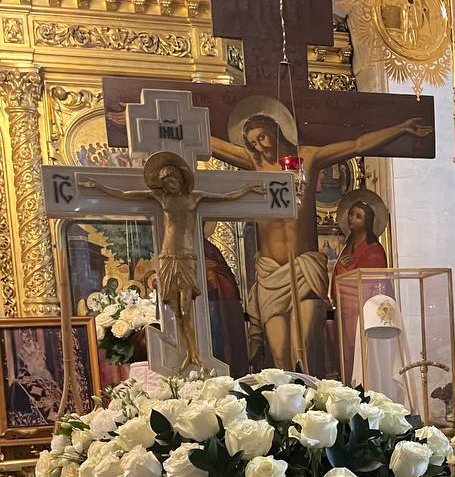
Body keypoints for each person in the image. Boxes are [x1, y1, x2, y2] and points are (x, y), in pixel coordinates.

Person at [209, 111, 432, 373]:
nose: (260, 146)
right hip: (270, 274)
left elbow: (358, 144)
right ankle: (286, 400)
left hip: (304, 268)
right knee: (279, 352)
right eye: (253, 143)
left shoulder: (309, 157)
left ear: (276, 130)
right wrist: (175, 124)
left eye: (262, 137)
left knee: (303, 346)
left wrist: (400, 127)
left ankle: (311, 396)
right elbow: (213, 144)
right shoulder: (254, 164)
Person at [78, 154, 265, 373]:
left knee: (186, 309)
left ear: (181, 179)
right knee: (175, 311)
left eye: (173, 179)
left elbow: (225, 197)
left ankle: (194, 354)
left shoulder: (194, 198)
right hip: (167, 258)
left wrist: (249, 189)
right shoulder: (161, 199)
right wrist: (97, 186)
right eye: (165, 182)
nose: (170, 184)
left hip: (187, 259)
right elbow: (124, 195)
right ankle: (186, 355)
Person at [331, 200, 388, 375]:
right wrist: (341, 268)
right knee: (347, 354)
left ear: (367, 222)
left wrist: (345, 270)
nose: (351, 218)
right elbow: (337, 279)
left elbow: (374, 284)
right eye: (351, 214)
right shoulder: (347, 248)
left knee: (362, 353)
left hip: (362, 310)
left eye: (358, 216)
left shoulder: (374, 250)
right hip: (345, 311)